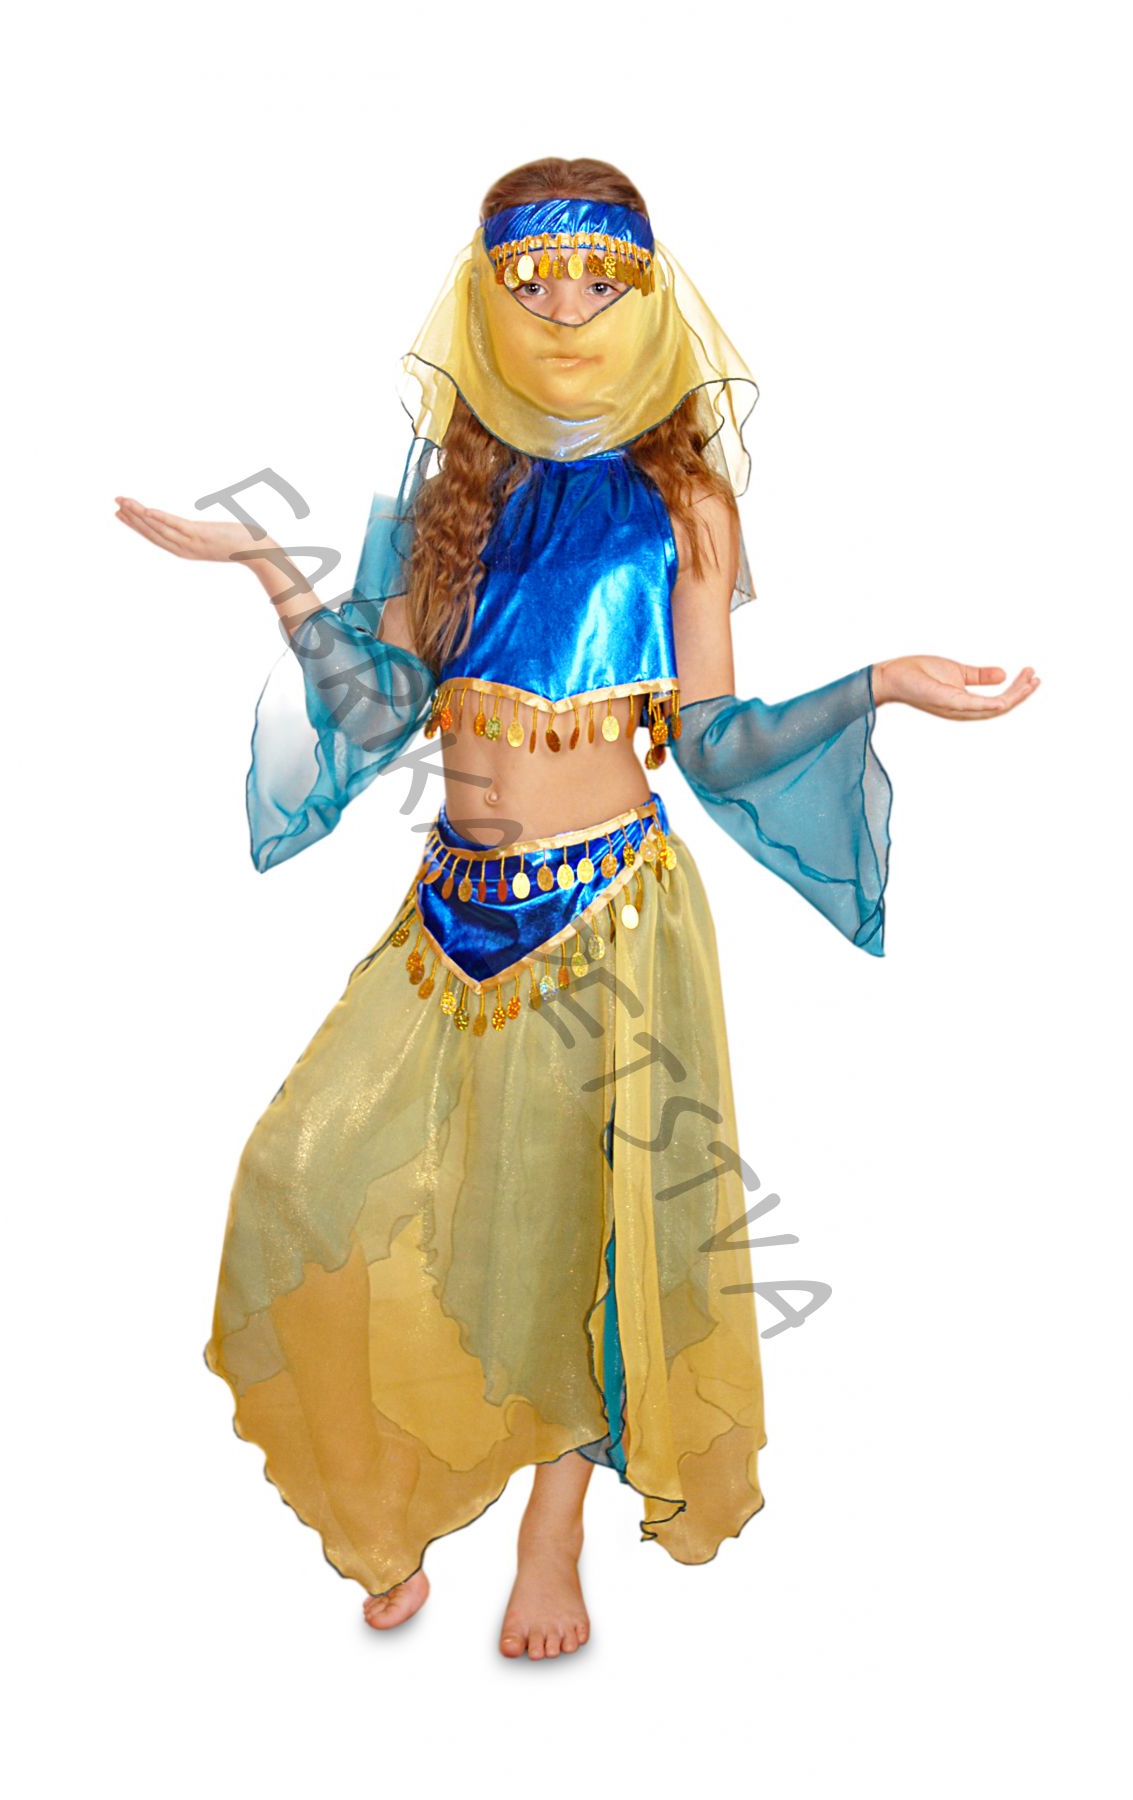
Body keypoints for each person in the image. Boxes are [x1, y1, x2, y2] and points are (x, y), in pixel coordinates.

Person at [115, 156, 1039, 1660]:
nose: (561, 308)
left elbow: (716, 744)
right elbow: (378, 710)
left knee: (582, 1227)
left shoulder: (683, 499)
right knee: (319, 1179)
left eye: (594, 279)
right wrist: (272, 572)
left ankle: (554, 1535)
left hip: (609, 912)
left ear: (643, 298)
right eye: (529, 278)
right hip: (451, 909)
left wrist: (876, 684)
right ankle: (401, 1495)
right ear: (485, 300)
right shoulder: (442, 498)